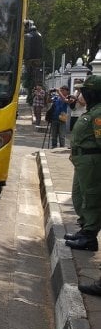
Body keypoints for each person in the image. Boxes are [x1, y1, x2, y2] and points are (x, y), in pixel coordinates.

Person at [63, 75, 101, 262]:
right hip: (82, 161)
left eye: (84, 91)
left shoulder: (98, 113)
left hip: (92, 162)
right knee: (79, 197)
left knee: (91, 198)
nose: (80, 94)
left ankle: (89, 237)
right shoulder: (91, 111)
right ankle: (84, 228)